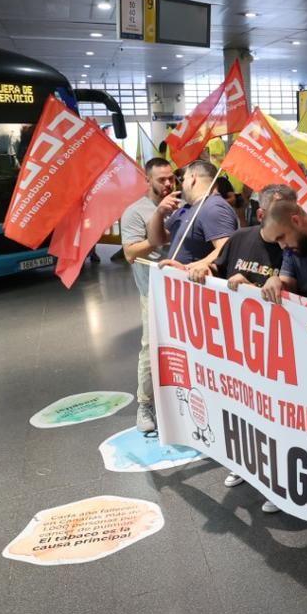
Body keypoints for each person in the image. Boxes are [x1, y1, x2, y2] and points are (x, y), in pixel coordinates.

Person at [191, 184, 289, 506]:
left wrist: (254, 287)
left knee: (275, 415)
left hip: (277, 350)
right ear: (261, 214)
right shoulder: (240, 239)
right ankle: (244, 464)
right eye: (277, 213)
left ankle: (276, 481)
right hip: (236, 347)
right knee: (240, 408)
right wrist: (204, 268)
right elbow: (216, 266)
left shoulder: (293, 247)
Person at [120, 157, 179, 438]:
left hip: (184, 292)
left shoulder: (183, 205)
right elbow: (130, 253)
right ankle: (145, 405)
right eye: (162, 180)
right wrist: (157, 239)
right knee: (150, 348)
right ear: (148, 181)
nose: (168, 184)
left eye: (172, 178)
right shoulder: (135, 212)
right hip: (152, 292)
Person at [148, 159, 239, 272]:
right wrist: (159, 213)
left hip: (196, 284)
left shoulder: (213, 207)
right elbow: (155, 241)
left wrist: (193, 266)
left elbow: (227, 247)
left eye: (183, 179)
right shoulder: (187, 208)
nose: (181, 184)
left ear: (193, 178)